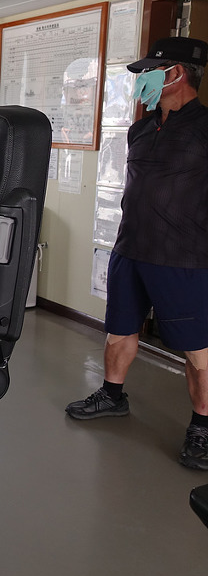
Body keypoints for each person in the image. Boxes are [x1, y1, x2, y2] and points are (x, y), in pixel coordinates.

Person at [65, 36, 208, 471]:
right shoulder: (140, 129)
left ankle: (202, 428)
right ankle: (112, 395)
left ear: (177, 74)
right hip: (130, 248)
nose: (142, 80)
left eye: (150, 72)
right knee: (119, 331)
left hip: (184, 257)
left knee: (198, 351)